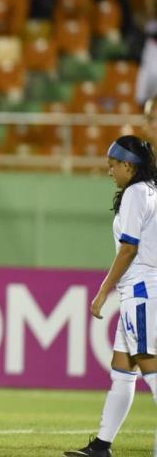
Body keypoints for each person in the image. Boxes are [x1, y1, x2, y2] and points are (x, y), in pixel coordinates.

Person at [65, 135, 157, 457]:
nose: (110, 171)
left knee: (153, 372)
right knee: (122, 372)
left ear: (129, 166)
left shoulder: (135, 193)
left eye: (113, 165)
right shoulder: (152, 190)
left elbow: (129, 248)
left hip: (141, 292)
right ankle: (102, 446)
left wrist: (103, 292)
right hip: (144, 290)